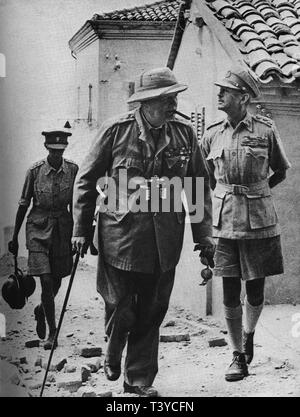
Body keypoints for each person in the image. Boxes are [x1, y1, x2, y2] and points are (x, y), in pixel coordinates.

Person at [72, 67, 214, 396]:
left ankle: (138, 380)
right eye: (167, 99)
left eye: (175, 98)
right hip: (120, 235)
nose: (173, 105)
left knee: (152, 309)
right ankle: (113, 346)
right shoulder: (116, 130)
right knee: (120, 304)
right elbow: (86, 179)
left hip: (164, 239)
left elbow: (198, 185)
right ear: (146, 103)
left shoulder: (184, 133)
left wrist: (203, 235)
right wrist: (79, 229)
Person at [200, 66, 291, 381]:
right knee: (228, 289)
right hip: (225, 223)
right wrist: (224, 198)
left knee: (255, 289)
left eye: (225, 90)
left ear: (242, 96)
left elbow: (280, 170)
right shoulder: (212, 133)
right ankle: (237, 354)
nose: (219, 94)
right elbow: (204, 178)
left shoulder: (265, 131)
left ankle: (249, 332)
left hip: (259, 221)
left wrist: (257, 194)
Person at [8, 128, 78, 350]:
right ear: (46, 148)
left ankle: (41, 310)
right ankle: (53, 333)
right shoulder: (35, 171)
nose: (57, 155)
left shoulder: (73, 170)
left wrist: (80, 233)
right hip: (37, 229)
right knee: (46, 281)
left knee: (56, 279)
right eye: (53, 150)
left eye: (61, 150)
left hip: (62, 230)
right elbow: (23, 204)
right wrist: (15, 236)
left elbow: (79, 204)